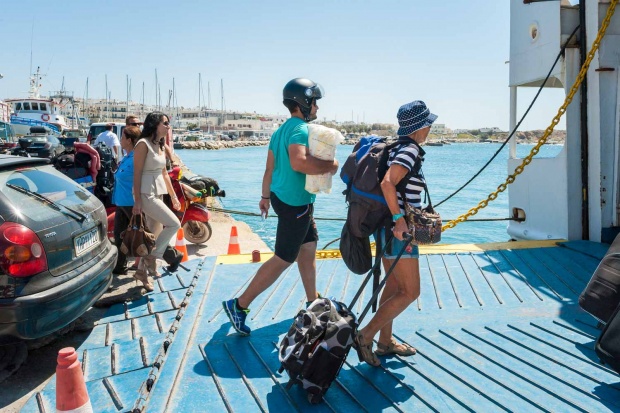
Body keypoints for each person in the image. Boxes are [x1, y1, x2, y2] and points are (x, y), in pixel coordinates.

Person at [222, 78, 339, 336]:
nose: (317, 107)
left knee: (308, 247)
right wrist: (330, 166)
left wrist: (265, 197)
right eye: (314, 102)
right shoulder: (300, 130)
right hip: (295, 204)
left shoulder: (280, 131)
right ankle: (239, 305)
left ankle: (313, 302)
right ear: (303, 102)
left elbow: (269, 169)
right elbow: (299, 163)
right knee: (283, 258)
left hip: (284, 198)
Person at [352, 100, 437, 367]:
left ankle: (385, 342)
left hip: (385, 228)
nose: (430, 129)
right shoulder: (410, 149)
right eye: (428, 124)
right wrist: (400, 221)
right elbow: (388, 183)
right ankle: (365, 336)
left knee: (393, 286)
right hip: (398, 232)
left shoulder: (397, 146)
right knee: (410, 291)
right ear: (420, 126)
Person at [132, 112, 182, 284]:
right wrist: (137, 201)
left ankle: (142, 273)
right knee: (174, 224)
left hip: (158, 191)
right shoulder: (143, 144)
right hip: (145, 193)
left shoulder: (160, 144)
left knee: (154, 234)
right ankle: (152, 257)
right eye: (165, 123)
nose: (168, 126)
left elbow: (164, 173)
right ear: (154, 125)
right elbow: (137, 173)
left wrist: (174, 197)